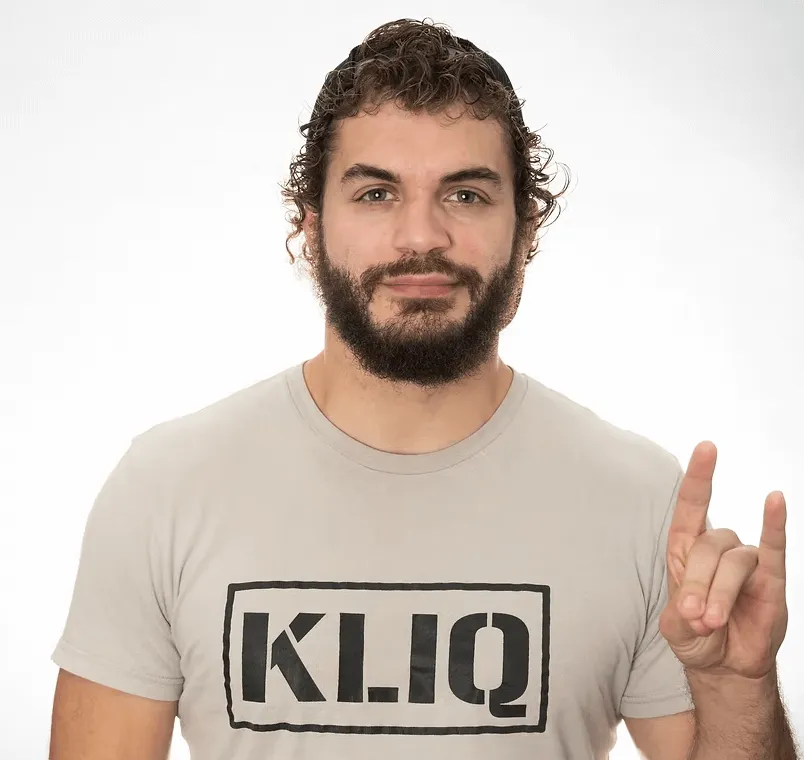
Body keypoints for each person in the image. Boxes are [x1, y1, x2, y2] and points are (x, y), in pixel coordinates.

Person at [49, 17, 797, 760]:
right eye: (376, 194)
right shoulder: (167, 488)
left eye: (466, 195)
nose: (421, 237)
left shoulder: (638, 499)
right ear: (310, 228)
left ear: (524, 228)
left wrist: (738, 686)